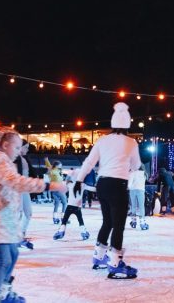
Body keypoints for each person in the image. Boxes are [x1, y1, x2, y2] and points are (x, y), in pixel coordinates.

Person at [0, 127, 66, 302]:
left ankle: (4, 292)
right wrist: (48, 185)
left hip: (4, 218)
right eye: (17, 148)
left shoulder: (4, 160)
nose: (19, 152)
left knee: (13, 254)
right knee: (5, 260)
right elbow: (14, 182)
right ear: (5, 145)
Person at [73, 102, 141, 279]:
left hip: (102, 184)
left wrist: (79, 179)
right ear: (127, 124)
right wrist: (129, 168)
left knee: (107, 222)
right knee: (118, 225)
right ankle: (115, 263)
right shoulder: (131, 142)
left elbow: (89, 162)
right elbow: (137, 164)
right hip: (118, 185)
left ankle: (99, 256)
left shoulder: (102, 140)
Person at [53, 169, 90, 241]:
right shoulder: (83, 185)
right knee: (80, 220)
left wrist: (67, 176)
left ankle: (61, 231)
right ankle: (83, 232)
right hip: (77, 207)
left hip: (69, 206)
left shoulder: (70, 184)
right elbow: (92, 189)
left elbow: (62, 184)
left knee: (64, 220)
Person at [14, 140, 38, 249]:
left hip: (25, 189)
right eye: (26, 147)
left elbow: (31, 174)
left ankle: (21, 235)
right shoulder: (14, 158)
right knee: (18, 214)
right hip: (17, 189)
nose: (27, 149)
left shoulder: (25, 159)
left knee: (28, 213)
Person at [45, 158, 67, 224]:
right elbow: (49, 169)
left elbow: (49, 166)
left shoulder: (56, 171)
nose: (61, 166)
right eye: (60, 165)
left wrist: (46, 160)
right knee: (64, 202)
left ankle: (55, 218)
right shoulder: (54, 171)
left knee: (57, 203)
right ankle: (63, 218)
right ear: (57, 165)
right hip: (58, 188)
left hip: (53, 189)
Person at [128, 165, 148, 230]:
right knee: (141, 207)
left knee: (133, 206)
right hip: (141, 190)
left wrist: (130, 188)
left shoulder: (133, 173)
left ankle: (133, 222)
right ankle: (142, 223)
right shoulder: (145, 174)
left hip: (133, 190)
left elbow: (129, 184)